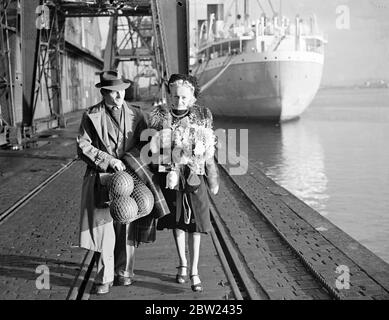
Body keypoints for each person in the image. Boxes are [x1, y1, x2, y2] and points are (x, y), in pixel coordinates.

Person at [77, 70, 147, 295]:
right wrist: (108, 160)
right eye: (114, 94)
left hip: (130, 178)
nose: (119, 97)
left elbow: (147, 142)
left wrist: (128, 160)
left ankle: (124, 272)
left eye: (122, 92)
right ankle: (103, 277)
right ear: (104, 93)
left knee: (126, 223)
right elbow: (83, 146)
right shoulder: (91, 116)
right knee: (103, 228)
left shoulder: (138, 115)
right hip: (102, 179)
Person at [149, 74, 219, 292]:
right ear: (170, 94)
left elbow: (209, 151)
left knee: (195, 224)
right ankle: (182, 262)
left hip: (195, 178)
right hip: (172, 178)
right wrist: (168, 160)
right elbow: (152, 151)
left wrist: (213, 177)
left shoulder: (203, 115)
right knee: (178, 222)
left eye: (184, 97)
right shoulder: (160, 116)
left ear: (193, 97)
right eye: (175, 96)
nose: (179, 101)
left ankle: (195, 270)